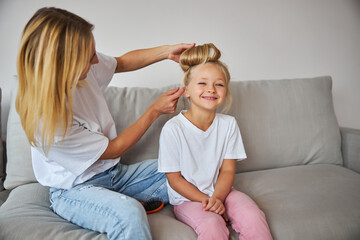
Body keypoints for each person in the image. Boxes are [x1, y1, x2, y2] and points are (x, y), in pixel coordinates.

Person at [16, 7, 194, 240]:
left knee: (192, 169)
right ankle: (126, 203)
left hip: (114, 175)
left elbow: (121, 63)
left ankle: (124, 198)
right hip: (75, 190)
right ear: (64, 64)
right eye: (90, 57)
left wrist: (167, 51)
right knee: (129, 213)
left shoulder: (84, 70)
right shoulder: (46, 120)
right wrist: (154, 110)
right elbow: (114, 149)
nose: (97, 60)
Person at [158, 43, 273, 240]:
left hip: (222, 192)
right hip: (188, 200)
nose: (211, 89)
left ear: (225, 91)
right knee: (212, 224)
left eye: (219, 84)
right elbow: (174, 179)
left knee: (252, 215)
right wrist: (208, 202)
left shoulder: (228, 124)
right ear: (186, 91)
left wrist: (217, 200)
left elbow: (228, 171)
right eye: (202, 83)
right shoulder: (172, 129)